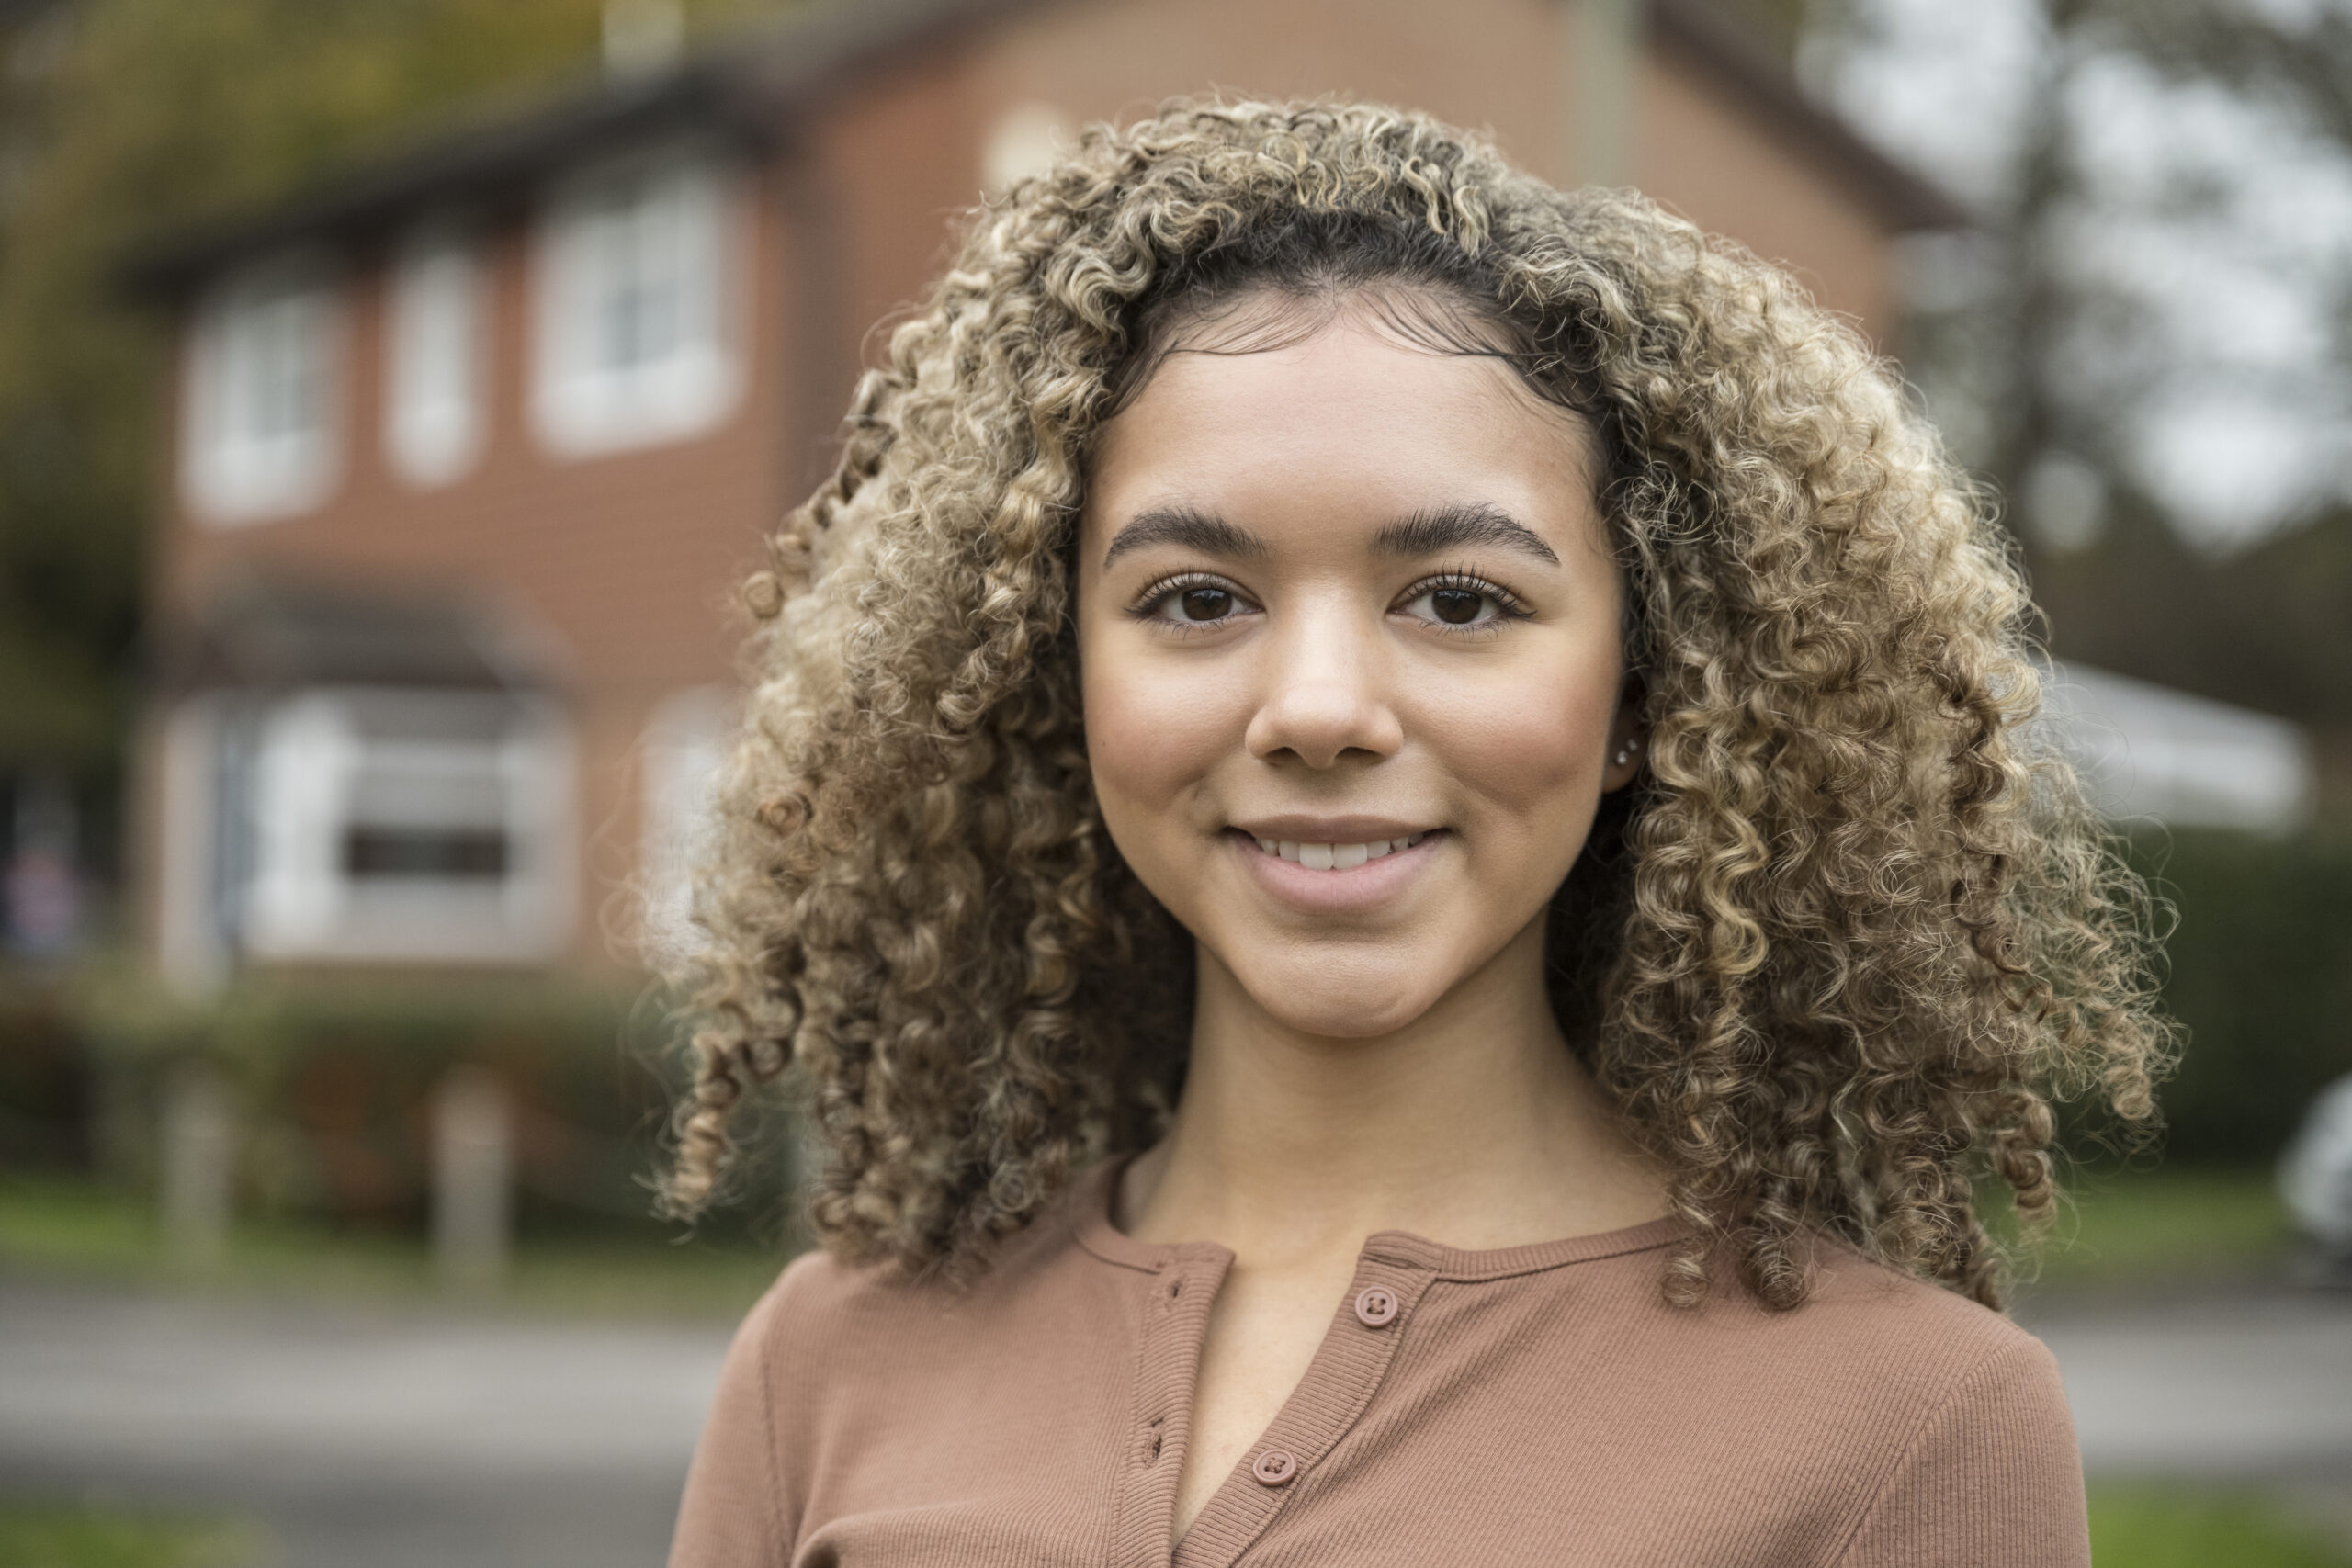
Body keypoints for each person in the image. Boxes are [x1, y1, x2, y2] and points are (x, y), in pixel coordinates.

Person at [660, 99, 2169, 1567]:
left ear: (1649, 695)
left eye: (1460, 600)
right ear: (1063, 678)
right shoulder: (827, 1368)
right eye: (1197, 598)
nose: (1318, 710)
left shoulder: (1911, 1429)